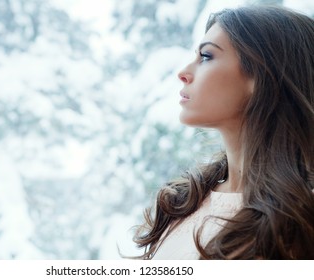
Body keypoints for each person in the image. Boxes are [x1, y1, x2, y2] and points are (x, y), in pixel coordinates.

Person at [133, 5, 314, 259]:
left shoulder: (296, 226)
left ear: (262, 76)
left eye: (206, 57)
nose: (183, 73)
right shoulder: (185, 203)